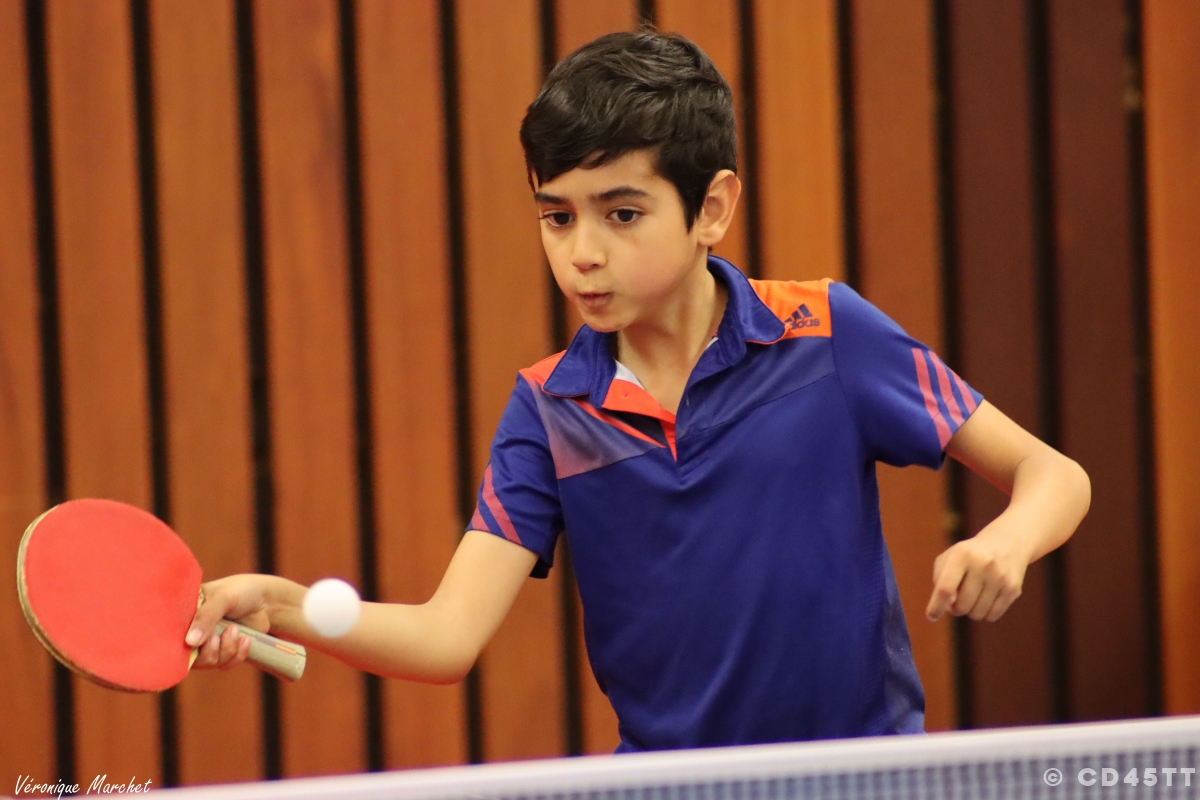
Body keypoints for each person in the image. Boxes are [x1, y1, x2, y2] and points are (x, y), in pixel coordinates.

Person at [187, 31, 1090, 751]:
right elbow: (447, 638)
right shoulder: (550, 409)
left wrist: (1006, 541)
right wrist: (287, 606)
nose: (582, 252)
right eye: (556, 216)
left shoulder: (825, 334)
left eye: (621, 214)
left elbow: (1053, 475)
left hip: (863, 779)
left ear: (712, 209)